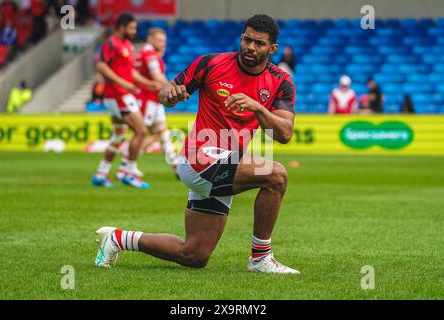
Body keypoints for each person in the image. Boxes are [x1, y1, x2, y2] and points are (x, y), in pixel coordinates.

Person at [94, 14, 300, 274]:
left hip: (225, 165)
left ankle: (118, 239)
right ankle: (260, 258)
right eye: (246, 39)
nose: (250, 47)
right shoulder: (211, 63)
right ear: (241, 37)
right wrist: (171, 95)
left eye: (259, 43)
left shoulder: (280, 81)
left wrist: (258, 108)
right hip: (199, 157)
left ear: (272, 49)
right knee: (276, 175)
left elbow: (284, 133)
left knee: (193, 254)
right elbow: (165, 93)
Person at [91, 13, 157, 189]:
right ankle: (129, 172)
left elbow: (131, 72)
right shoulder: (111, 43)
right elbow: (101, 66)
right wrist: (124, 84)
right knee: (141, 131)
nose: (134, 31)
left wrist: (148, 83)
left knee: (119, 135)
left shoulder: (127, 44)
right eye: (132, 28)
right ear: (121, 27)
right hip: (117, 95)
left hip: (120, 94)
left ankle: (101, 174)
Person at [117, 27, 178, 180]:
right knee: (141, 134)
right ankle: (124, 167)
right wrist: (174, 88)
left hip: (153, 99)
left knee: (162, 133)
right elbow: (157, 76)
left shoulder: (147, 53)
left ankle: (176, 166)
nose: (163, 43)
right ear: (150, 39)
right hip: (147, 99)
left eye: (164, 40)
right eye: (159, 40)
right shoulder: (150, 54)